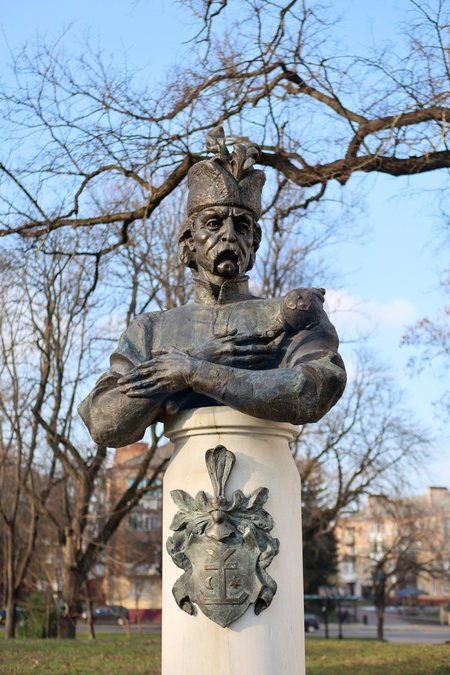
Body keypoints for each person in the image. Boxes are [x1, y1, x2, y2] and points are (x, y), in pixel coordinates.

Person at [79, 127, 346, 448]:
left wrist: (198, 373)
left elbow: (315, 390)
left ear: (254, 242)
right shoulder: (151, 329)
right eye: (213, 223)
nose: (230, 235)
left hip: (268, 469)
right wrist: (190, 361)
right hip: (186, 471)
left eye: (242, 226)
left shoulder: (291, 313)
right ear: (189, 241)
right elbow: (105, 422)